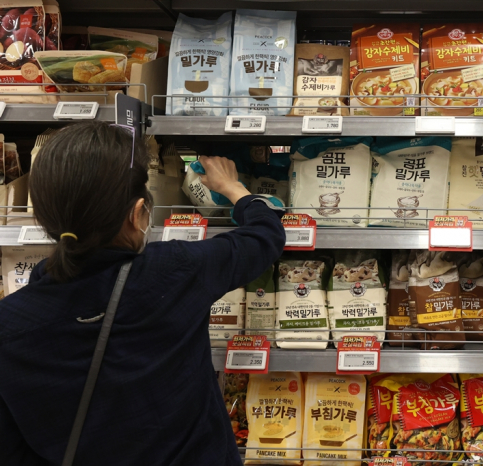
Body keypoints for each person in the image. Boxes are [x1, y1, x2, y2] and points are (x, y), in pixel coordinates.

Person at [0, 121, 286, 465]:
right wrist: (234, 188)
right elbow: (263, 238)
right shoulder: (174, 272)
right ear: (137, 215)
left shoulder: (9, 324)